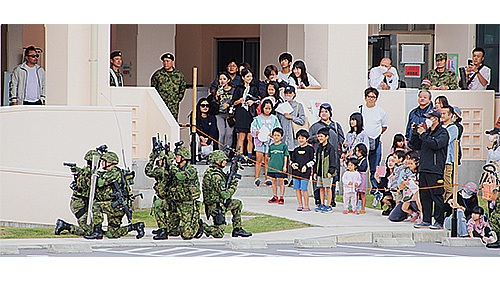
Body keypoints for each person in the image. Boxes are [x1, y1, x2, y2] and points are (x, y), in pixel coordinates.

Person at [84, 151, 145, 239]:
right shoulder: (114, 172)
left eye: (103, 161)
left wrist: (92, 173)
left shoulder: (114, 172)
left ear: (109, 162)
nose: (101, 163)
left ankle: (97, 232)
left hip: (116, 206)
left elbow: (100, 183)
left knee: (96, 206)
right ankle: (136, 227)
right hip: (116, 205)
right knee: (112, 234)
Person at [411, 108, 449, 229]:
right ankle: (426, 219)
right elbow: (415, 145)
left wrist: (423, 134)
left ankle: (439, 221)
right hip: (423, 168)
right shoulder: (426, 133)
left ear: (435, 119)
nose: (427, 120)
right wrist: (416, 133)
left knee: (437, 195)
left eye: (429, 118)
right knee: (424, 195)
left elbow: (436, 144)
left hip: (435, 169)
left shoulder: (442, 133)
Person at [202, 150, 252, 238]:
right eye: (223, 160)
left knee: (237, 204)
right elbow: (225, 195)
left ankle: (237, 229)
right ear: (218, 161)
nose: (225, 162)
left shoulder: (216, 172)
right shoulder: (216, 176)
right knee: (219, 233)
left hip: (220, 203)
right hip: (215, 206)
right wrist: (233, 185)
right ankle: (201, 226)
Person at [55, 149, 101, 236]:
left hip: (82, 202)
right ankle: (65, 226)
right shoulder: (88, 172)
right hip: (80, 204)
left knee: (93, 227)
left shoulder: (86, 171)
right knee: (88, 231)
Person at [164, 145, 204, 240]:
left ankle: (198, 224)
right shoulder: (176, 169)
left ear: (184, 157)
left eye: (178, 155)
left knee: (187, 235)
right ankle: (185, 225)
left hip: (187, 203)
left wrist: (172, 167)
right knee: (172, 232)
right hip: (176, 201)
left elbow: (181, 176)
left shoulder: (191, 170)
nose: (176, 157)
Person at [309, 103, 344, 206]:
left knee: (332, 176)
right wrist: (319, 137)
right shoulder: (315, 126)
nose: (324, 114)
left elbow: (341, 139)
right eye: (322, 111)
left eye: (326, 111)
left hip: (333, 156)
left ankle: (331, 199)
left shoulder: (336, 126)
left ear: (330, 113)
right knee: (317, 177)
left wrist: (343, 152)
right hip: (319, 157)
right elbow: (309, 138)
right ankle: (318, 199)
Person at [359, 87, 388, 194]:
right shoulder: (360, 109)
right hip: (363, 142)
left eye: (373, 97)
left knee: (376, 165)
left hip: (376, 140)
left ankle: (376, 186)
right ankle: (361, 187)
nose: (371, 99)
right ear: (365, 98)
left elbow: (384, 127)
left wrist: (376, 134)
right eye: (369, 96)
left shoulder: (381, 111)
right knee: (361, 165)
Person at [277, 85, 307, 186]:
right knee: (284, 158)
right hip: (284, 137)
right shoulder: (281, 106)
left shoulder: (299, 106)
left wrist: (292, 117)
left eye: (290, 93)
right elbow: (278, 121)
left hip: (294, 137)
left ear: (294, 94)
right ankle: (284, 177)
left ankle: (294, 178)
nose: (288, 95)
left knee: (295, 158)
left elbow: (302, 120)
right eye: (286, 93)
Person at [232, 68, 260, 164]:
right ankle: (240, 156)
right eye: (247, 76)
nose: (250, 78)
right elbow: (233, 102)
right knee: (241, 137)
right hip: (241, 113)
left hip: (251, 114)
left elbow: (258, 100)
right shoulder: (238, 89)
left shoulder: (254, 88)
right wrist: (239, 101)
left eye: (251, 76)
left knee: (250, 137)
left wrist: (253, 101)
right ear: (243, 77)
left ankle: (249, 157)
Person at [251, 99, 281, 187]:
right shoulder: (257, 118)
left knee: (268, 160)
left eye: (269, 108)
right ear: (262, 108)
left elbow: (278, 128)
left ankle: (268, 178)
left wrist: (274, 134)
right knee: (259, 159)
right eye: (266, 108)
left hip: (270, 141)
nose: (267, 110)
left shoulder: (274, 118)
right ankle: (257, 178)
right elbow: (253, 129)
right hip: (260, 141)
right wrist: (257, 132)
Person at [150, 53, 187, 121]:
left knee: (172, 122)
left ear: (173, 62)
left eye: (168, 61)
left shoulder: (178, 75)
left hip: (173, 105)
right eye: (164, 61)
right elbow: (153, 89)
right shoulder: (158, 75)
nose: (165, 63)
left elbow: (182, 88)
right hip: (161, 104)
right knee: (160, 121)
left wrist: (177, 100)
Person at [207, 72, 235, 149]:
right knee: (221, 133)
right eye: (220, 79)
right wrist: (216, 96)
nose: (222, 81)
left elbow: (235, 102)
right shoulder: (217, 90)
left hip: (230, 114)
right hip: (219, 114)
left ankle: (227, 152)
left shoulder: (233, 90)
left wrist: (229, 105)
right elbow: (213, 104)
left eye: (224, 79)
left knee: (229, 134)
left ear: (228, 80)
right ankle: (221, 152)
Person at [290, 129, 315, 212]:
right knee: (297, 189)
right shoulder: (295, 150)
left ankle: (306, 205)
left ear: (307, 139)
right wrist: (292, 164)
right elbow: (292, 160)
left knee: (304, 189)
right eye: (299, 138)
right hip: (296, 173)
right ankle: (300, 205)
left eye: (303, 138)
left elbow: (313, 160)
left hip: (305, 173)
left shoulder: (310, 149)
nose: (301, 140)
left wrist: (306, 166)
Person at [313, 127, 336, 213]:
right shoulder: (319, 148)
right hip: (320, 172)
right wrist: (315, 171)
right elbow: (316, 161)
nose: (320, 138)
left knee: (328, 188)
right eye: (318, 136)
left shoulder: (330, 148)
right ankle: (322, 204)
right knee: (321, 188)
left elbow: (333, 160)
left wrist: (331, 171)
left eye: (322, 136)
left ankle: (328, 205)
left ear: (327, 137)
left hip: (327, 172)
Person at [267, 128, 289, 205]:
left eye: (278, 135)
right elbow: (269, 157)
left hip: (280, 167)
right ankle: (275, 196)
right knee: (273, 181)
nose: (276, 137)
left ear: (281, 136)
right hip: (272, 167)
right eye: (275, 135)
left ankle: (281, 197)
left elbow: (285, 156)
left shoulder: (283, 145)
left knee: (281, 182)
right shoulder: (271, 146)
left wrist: (285, 166)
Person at [441, 105, 459, 201]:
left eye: (444, 113)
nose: (442, 116)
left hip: (447, 160)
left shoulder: (453, 128)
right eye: (441, 113)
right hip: (438, 161)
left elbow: (444, 141)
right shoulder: (439, 126)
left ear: (450, 115)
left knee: (447, 185)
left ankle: (448, 205)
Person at [194, 98, 218, 162]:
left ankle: (204, 156)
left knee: (207, 151)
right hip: (199, 139)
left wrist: (207, 142)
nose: (205, 107)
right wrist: (201, 137)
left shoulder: (212, 118)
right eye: (203, 105)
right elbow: (195, 128)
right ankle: (195, 156)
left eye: (207, 106)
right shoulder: (194, 116)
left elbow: (213, 131)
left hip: (207, 139)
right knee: (194, 136)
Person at [399, 152, 421, 223]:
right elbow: (401, 184)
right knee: (404, 208)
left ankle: (422, 214)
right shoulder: (406, 172)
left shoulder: (418, 173)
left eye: (411, 164)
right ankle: (413, 214)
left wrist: (415, 183)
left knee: (418, 201)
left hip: (416, 192)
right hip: (408, 192)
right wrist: (405, 183)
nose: (409, 166)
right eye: (408, 164)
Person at [354, 143, 368, 214]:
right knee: (356, 192)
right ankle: (355, 206)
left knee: (362, 192)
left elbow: (363, 168)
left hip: (362, 176)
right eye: (356, 151)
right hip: (356, 176)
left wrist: (356, 167)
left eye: (359, 151)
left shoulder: (364, 160)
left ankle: (363, 207)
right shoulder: (356, 159)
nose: (357, 153)